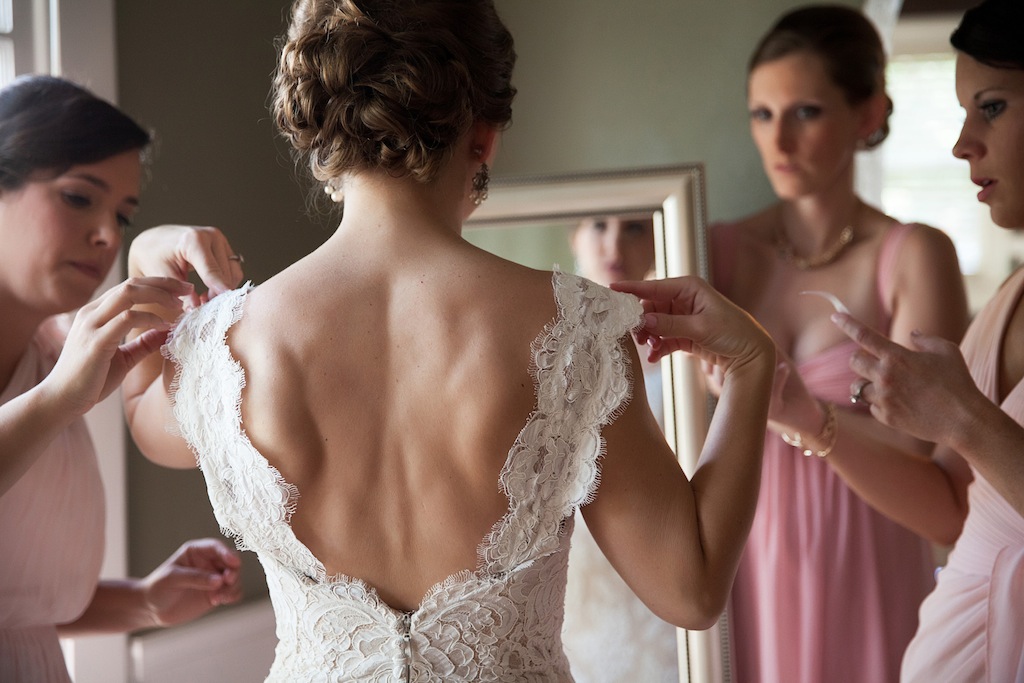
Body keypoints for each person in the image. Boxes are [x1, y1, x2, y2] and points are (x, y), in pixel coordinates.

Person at [123, 0, 777, 679]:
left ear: (323, 133)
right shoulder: (575, 334)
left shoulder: (229, 348)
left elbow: (139, 403)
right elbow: (691, 589)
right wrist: (754, 365)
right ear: (485, 135)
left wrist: (145, 253)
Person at [709, 5, 971, 682]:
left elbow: (933, 462)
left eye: (805, 112)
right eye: (761, 114)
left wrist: (807, 416)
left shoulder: (915, 255)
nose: (778, 141)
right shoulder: (717, 251)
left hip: (869, 548)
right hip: (748, 555)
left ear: (867, 113)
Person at [0, 74, 244, 681]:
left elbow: (14, 608)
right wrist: (57, 402)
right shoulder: (61, 386)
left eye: (125, 216)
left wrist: (143, 602)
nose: (108, 236)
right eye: (80, 198)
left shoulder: (56, 357)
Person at [830, 1, 1024, 679]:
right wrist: (801, 413)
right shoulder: (1008, 299)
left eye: (992, 107)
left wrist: (961, 416)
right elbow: (950, 506)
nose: (962, 143)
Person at [563, 213, 678, 682]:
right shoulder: (544, 348)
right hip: (581, 567)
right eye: (597, 226)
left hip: (665, 558)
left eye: (633, 227)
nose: (614, 245)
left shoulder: (687, 355)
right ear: (575, 236)